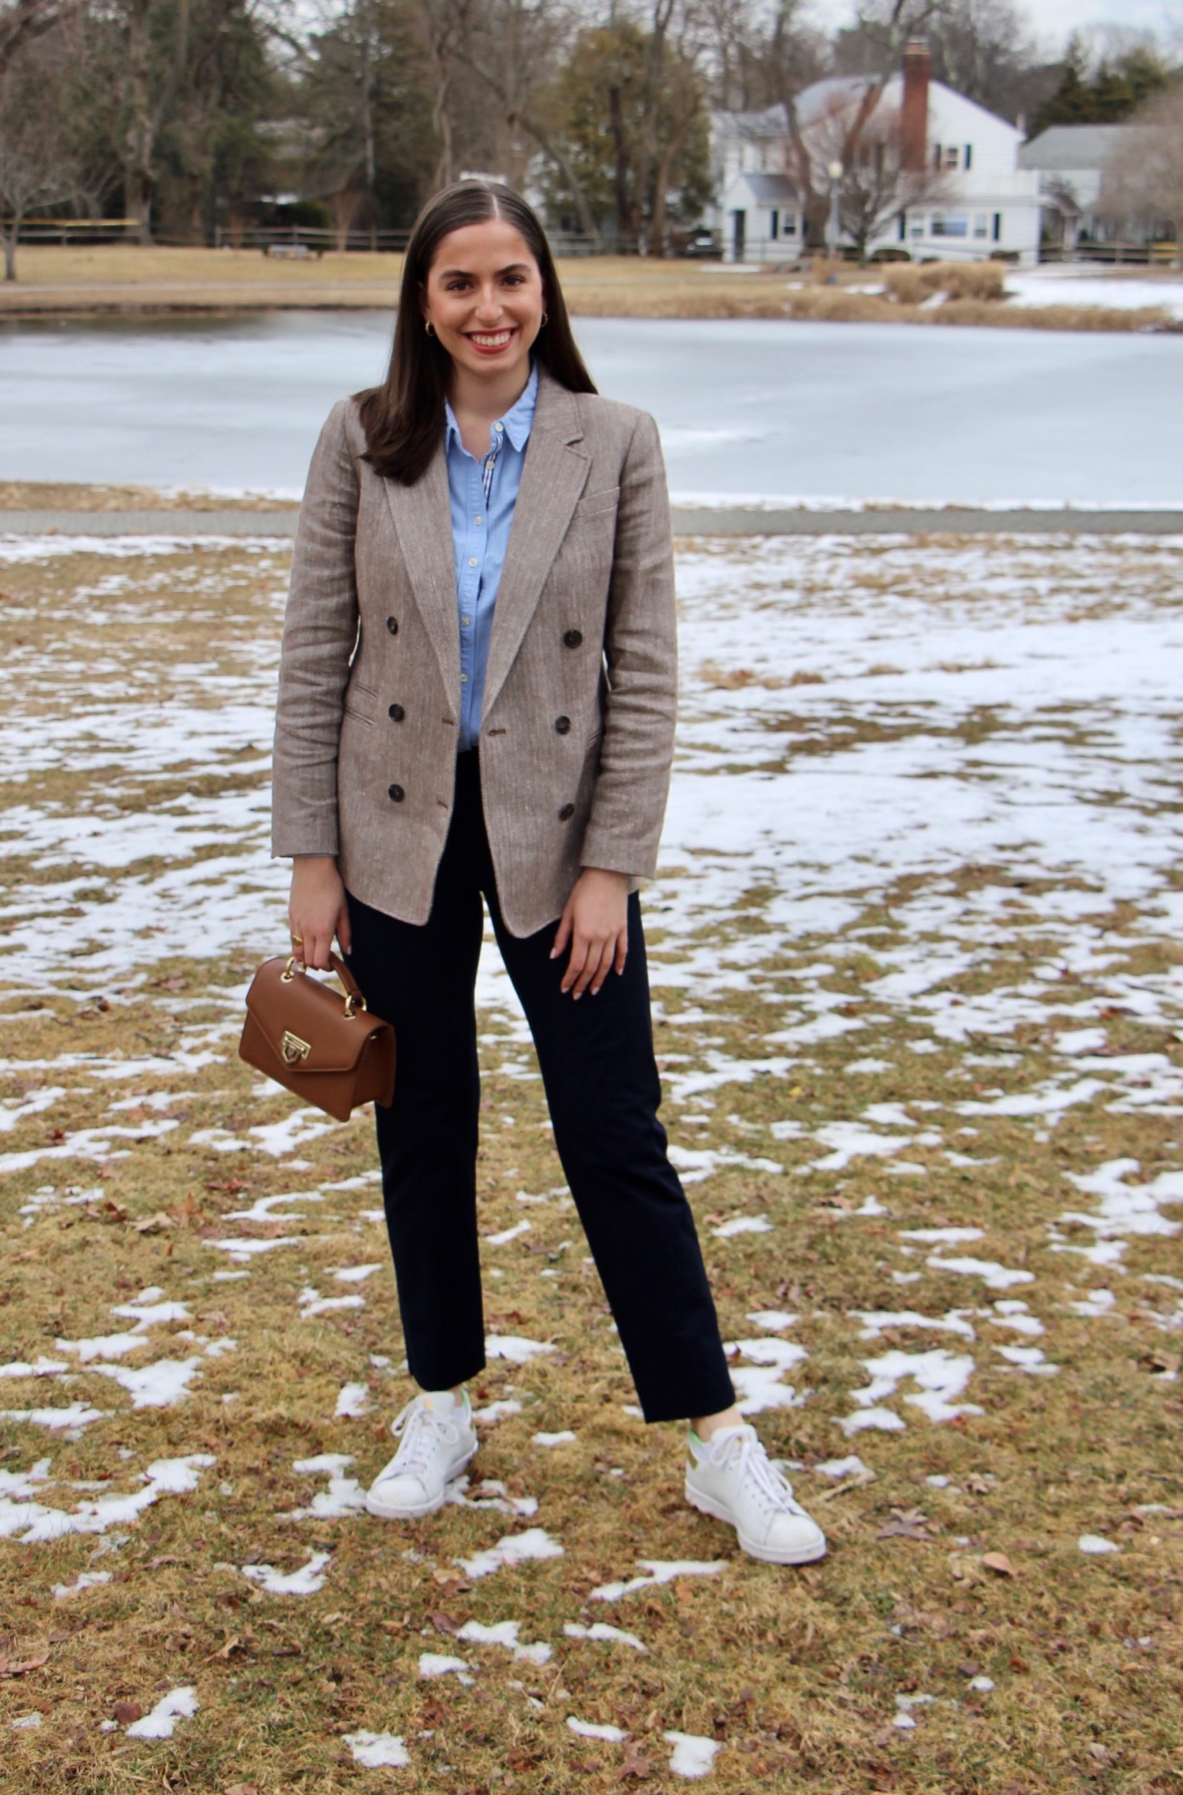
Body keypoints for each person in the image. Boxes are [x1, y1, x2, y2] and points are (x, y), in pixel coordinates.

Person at [271, 179, 826, 1568]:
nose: (486, 308)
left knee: (611, 1130)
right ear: (421, 300)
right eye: (457, 283)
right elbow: (312, 657)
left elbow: (643, 674)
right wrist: (312, 858)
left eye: (509, 278)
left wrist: (611, 871)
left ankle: (713, 1439)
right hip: (393, 836)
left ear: (543, 290)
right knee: (424, 1127)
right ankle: (439, 1403)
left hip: (559, 844)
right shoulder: (361, 437)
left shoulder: (613, 441)